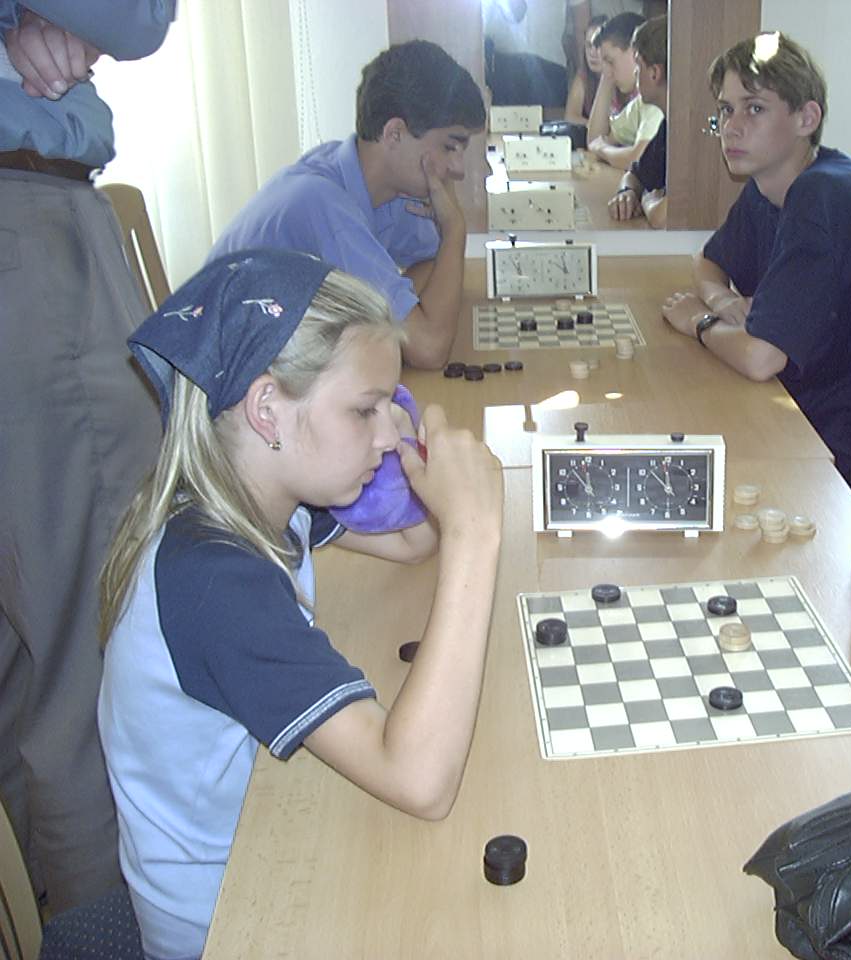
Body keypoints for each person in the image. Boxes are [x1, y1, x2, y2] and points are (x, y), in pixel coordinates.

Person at [97, 249, 504, 959]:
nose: (386, 433)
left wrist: (420, 457)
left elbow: (409, 543)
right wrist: (477, 532)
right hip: (227, 922)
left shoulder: (263, 499)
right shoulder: (214, 580)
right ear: (267, 410)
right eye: (363, 409)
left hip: (266, 831)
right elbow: (420, 780)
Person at [0, 1, 175, 916]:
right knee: (90, 654)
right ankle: (105, 931)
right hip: (26, 220)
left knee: (26, 659)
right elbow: (136, 16)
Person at [661, 33, 851, 503]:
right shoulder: (771, 184)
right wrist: (723, 301)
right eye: (725, 110)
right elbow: (709, 261)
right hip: (806, 417)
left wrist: (698, 321)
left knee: (682, 467)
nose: (732, 128)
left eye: (755, 109)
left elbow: (760, 359)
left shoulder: (822, 197)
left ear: (807, 118)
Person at [209, 40, 484, 371]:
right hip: (226, 383)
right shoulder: (324, 204)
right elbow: (430, 349)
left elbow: (434, 262)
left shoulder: (379, 183)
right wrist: (454, 229)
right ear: (395, 134)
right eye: (450, 147)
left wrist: (396, 312)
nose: (458, 169)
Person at [607, 15, 667, 228]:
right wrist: (628, 192)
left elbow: (662, 216)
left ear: (654, 73)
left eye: (639, 64)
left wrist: (647, 200)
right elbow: (635, 174)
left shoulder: (688, 128)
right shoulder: (668, 127)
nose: (635, 72)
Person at [585, 11, 663, 170]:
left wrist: (603, 149)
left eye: (610, 61)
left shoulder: (657, 99)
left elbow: (639, 158)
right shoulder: (640, 103)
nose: (606, 72)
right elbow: (595, 141)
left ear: (635, 53)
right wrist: (607, 79)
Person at [564, 13, 609, 124]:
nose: (592, 53)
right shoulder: (583, 75)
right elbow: (570, 117)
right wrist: (595, 127)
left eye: (597, 46)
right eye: (589, 46)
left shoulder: (620, 75)